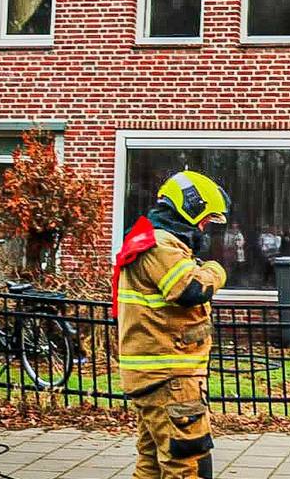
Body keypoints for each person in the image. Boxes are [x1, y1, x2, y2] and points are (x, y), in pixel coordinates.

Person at [112, 171, 230, 479]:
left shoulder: (148, 240)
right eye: (206, 220)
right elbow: (190, 290)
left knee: (151, 463)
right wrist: (216, 271)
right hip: (170, 377)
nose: (205, 228)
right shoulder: (161, 245)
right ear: (190, 209)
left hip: (153, 374)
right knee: (186, 463)